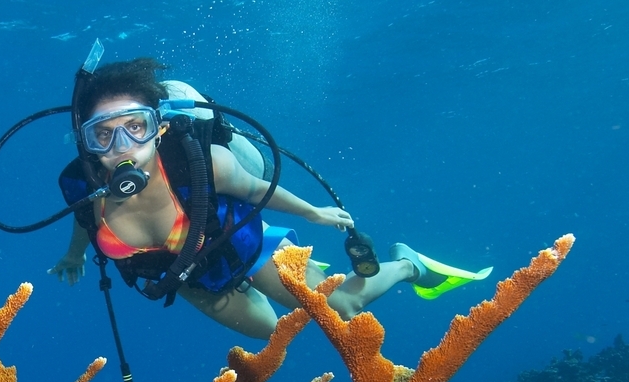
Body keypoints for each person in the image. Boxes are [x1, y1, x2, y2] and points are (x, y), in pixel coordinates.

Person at [49, 58, 489, 340]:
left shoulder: (201, 163)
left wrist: (313, 212)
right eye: (103, 134)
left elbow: (257, 189)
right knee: (268, 330)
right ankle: (262, 279)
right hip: (187, 279)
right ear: (85, 141)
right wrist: (73, 257)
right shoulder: (86, 189)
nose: (122, 145)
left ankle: (409, 265)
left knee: (342, 310)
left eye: (136, 126)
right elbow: (87, 224)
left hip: (247, 247)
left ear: (159, 126)